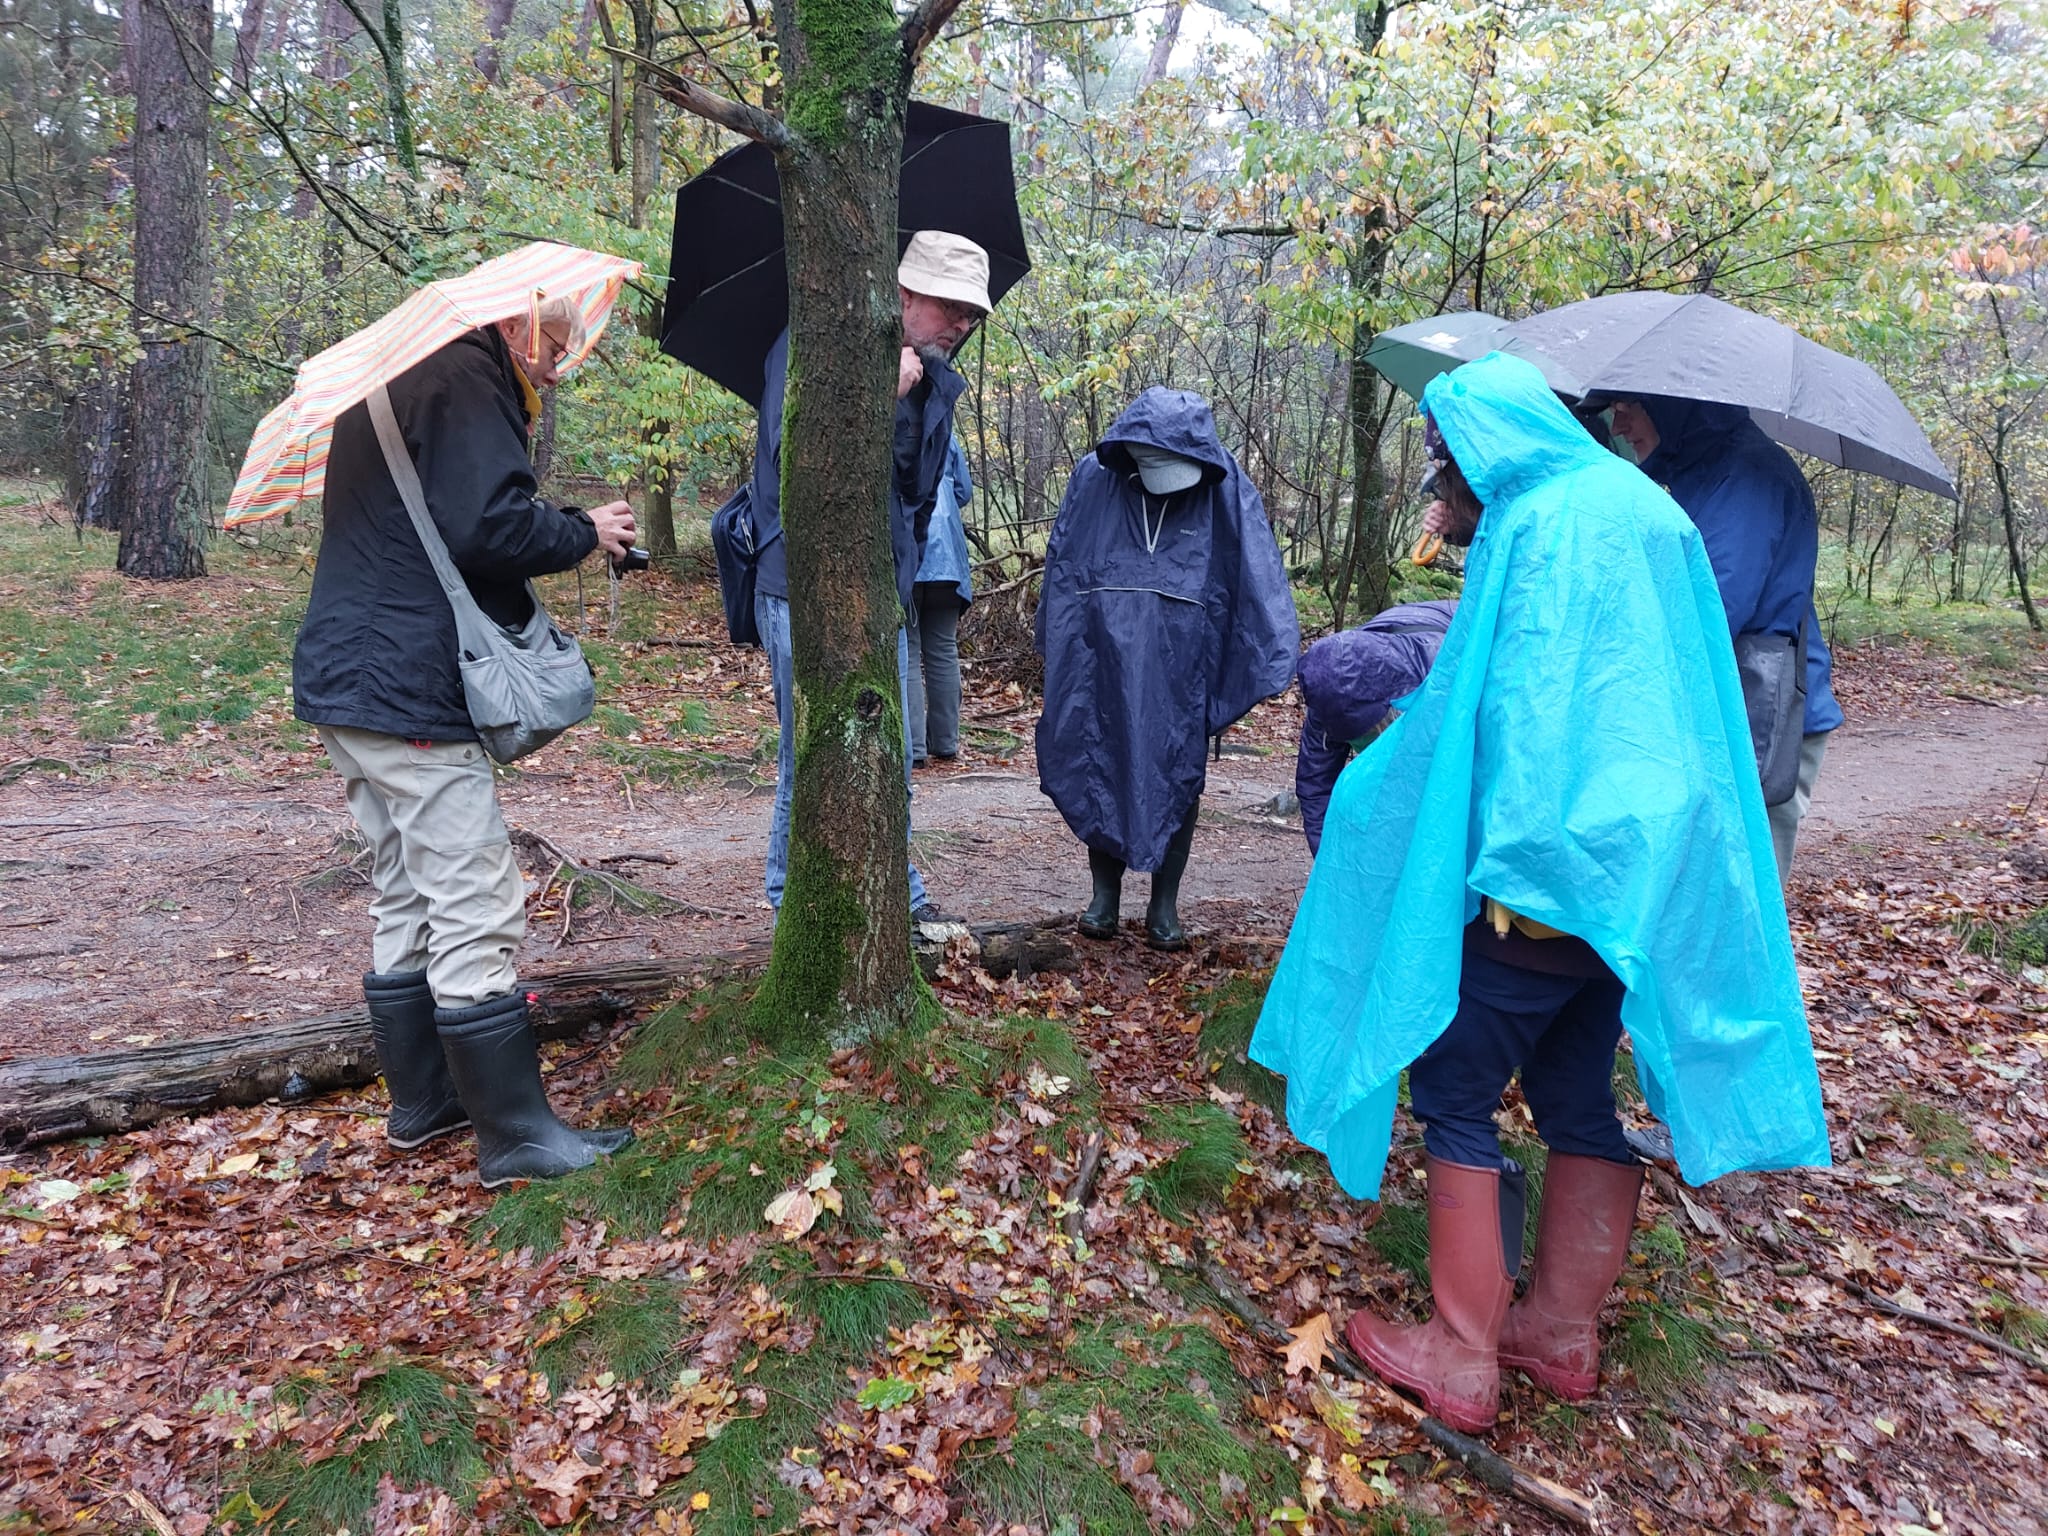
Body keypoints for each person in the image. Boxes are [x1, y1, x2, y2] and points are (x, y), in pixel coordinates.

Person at [1251, 354, 1828, 1433]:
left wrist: (1402, 806)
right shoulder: (1643, 507)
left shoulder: (1541, 522)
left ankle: (1461, 1353)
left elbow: (1502, 707)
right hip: (1639, 885)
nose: (1444, 485)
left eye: (1447, 464)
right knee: (1575, 1094)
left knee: (1455, 1089)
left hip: (1541, 875)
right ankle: (1560, 1334)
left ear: (1486, 446)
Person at [293, 299, 638, 1190]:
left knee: (406, 888)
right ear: (517, 320)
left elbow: (444, 512)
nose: (559, 364)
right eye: (555, 344)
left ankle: (427, 1104)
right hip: (407, 677)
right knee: (474, 896)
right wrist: (586, 530)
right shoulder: (463, 373)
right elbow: (490, 528)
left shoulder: (401, 374)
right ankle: (516, 1137)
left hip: (352, 672)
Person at [748, 231, 991, 924]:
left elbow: (918, 497)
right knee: (812, 753)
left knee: (889, 753)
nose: (961, 324)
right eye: (950, 307)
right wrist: (882, 395)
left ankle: (894, 894)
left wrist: (901, 585)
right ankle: (789, 903)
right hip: (800, 590)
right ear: (905, 293)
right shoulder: (812, 347)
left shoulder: (935, 379)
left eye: (971, 313)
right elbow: (798, 460)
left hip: (885, 595)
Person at [1035, 387, 1299, 949]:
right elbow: (1066, 561)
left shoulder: (1222, 483)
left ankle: (1164, 902)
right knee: (1100, 753)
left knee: (1179, 766)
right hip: (1102, 650)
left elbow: (1250, 570)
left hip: (1185, 655)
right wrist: (1062, 643)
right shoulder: (1095, 477)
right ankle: (1104, 895)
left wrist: (1258, 654)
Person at [1607, 395, 1842, 885]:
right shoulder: (1702, 470)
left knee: (1744, 886)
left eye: (1629, 407)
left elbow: (1712, 608)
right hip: (1730, 701)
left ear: (1671, 406)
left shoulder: (1745, 476)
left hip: (1761, 714)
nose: (1618, 425)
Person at [1295, 599, 1456, 854]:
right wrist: (1327, 864)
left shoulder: (1441, 675)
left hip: (1465, 640)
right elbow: (1316, 787)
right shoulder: (1326, 689)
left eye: (1367, 731)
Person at [907, 438, 974, 765]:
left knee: (908, 651)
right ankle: (945, 742)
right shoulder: (946, 435)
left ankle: (915, 747)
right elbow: (964, 491)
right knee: (943, 648)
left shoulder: (888, 430)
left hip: (908, 552)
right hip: (947, 558)